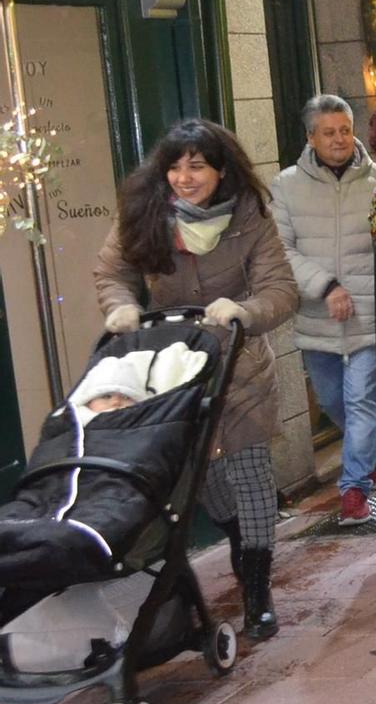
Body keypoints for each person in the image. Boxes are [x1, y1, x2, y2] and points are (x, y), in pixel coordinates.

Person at [94, 120, 300, 640]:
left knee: (250, 473)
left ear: (220, 170)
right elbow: (112, 271)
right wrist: (121, 307)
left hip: (240, 366)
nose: (185, 178)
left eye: (197, 167)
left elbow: (280, 289)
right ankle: (237, 539)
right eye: (176, 166)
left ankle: (256, 590)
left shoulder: (250, 218)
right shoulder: (144, 214)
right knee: (205, 483)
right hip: (175, 369)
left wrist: (244, 311)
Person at [271, 95, 376, 528]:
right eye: (328, 132)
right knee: (332, 402)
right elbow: (280, 250)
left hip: (368, 314)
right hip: (316, 314)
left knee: (361, 401)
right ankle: (373, 452)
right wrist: (326, 286)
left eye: (345, 130)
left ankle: (354, 489)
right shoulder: (285, 186)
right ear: (310, 138)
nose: (339, 140)